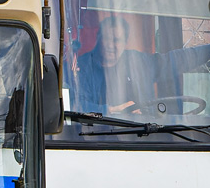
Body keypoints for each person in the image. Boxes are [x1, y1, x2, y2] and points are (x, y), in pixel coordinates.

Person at [75, 14, 210, 116]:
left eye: (116, 40)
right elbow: (73, 104)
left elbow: (177, 60)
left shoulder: (138, 62)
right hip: (96, 136)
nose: (111, 45)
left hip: (143, 134)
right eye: (106, 38)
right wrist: (109, 110)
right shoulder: (81, 67)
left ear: (125, 43)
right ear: (98, 38)